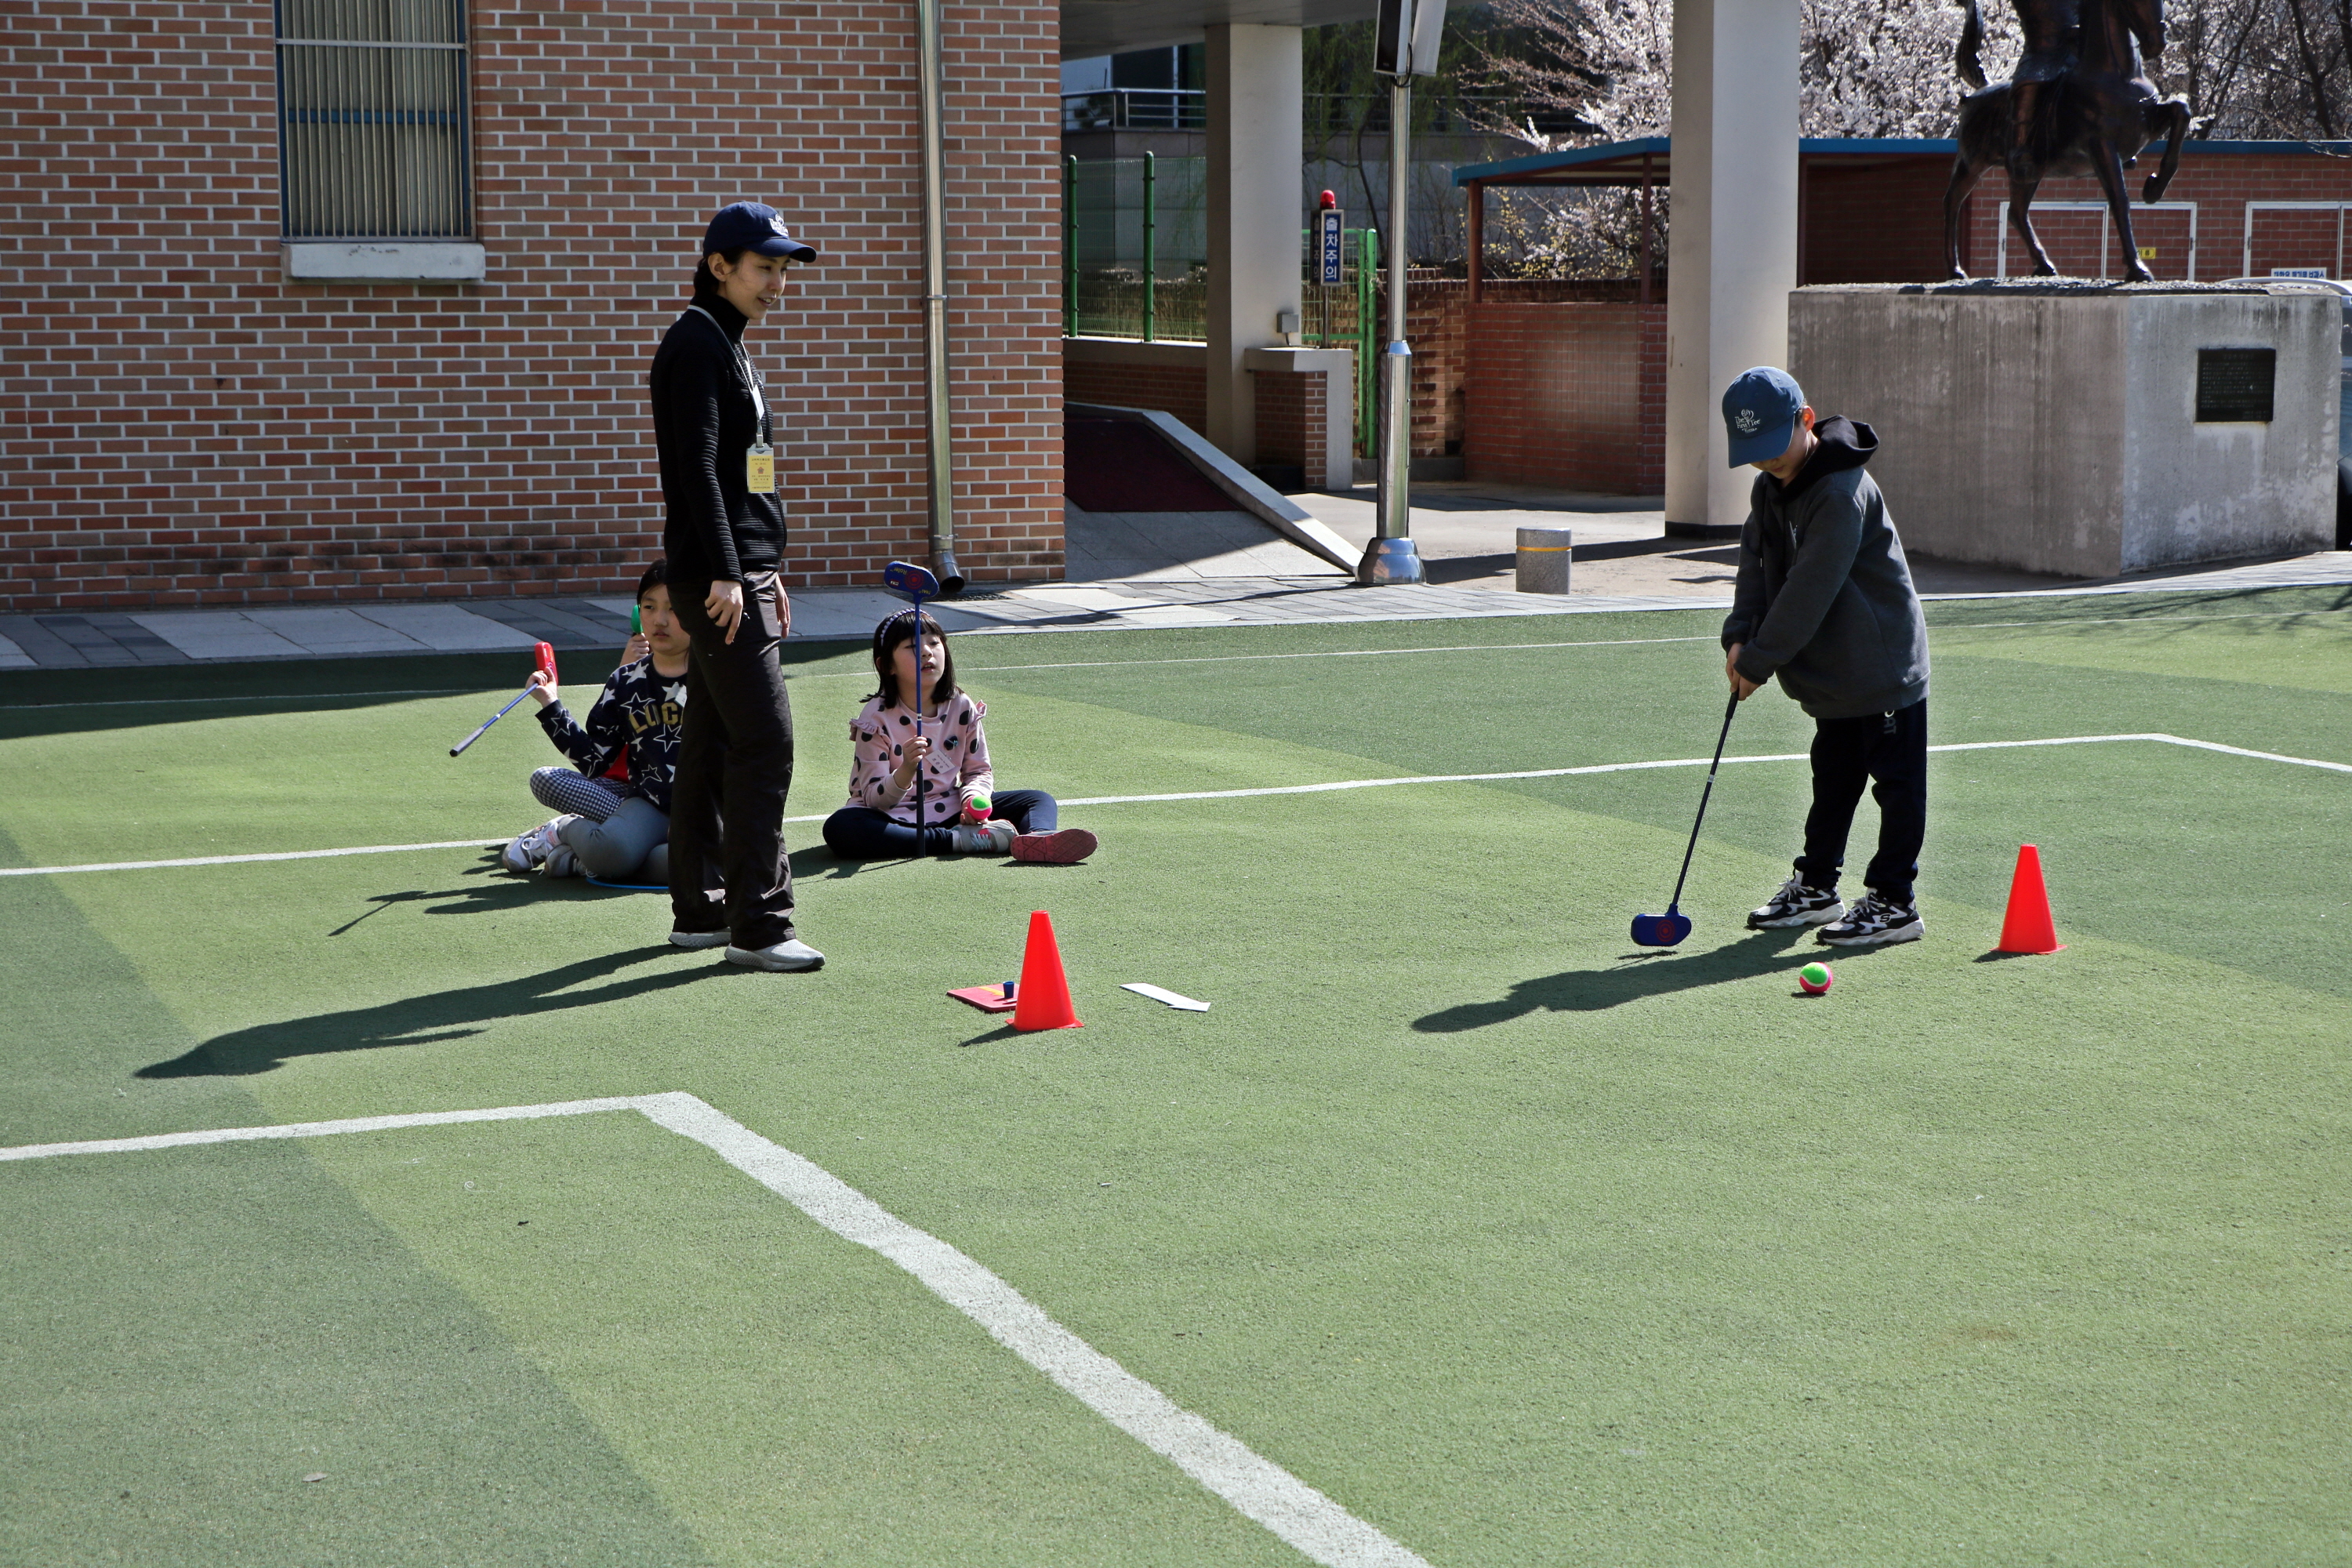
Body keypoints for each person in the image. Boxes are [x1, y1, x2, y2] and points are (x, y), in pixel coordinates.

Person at [650, 201, 823, 972]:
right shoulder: (695, 345)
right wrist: (729, 569)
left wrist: (764, 567)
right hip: (719, 577)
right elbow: (693, 470)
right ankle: (760, 925)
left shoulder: (726, 344)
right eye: (764, 268)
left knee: (712, 740)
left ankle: (701, 912)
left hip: (741, 572)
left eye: (784, 270)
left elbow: (740, 475)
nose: (777, 284)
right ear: (719, 266)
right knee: (766, 740)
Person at [1719, 366, 1931, 947]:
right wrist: (1739, 634)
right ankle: (1817, 886)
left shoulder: (1841, 492)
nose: (1766, 463)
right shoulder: (1769, 489)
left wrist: (1759, 661)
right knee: (1833, 779)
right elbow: (1755, 570)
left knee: (1897, 787)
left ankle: (1895, 901)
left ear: (1805, 420)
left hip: (1881, 664)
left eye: (1773, 447)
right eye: (1753, 452)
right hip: (1833, 672)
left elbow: (1810, 588)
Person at [823, 611, 1098, 865]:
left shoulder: (961, 705)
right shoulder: (875, 718)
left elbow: (978, 770)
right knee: (841, 828)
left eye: (934, 642)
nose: (927, 653)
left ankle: (1037, 838)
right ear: (887, 666)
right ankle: (963, 841)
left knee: (1037, 799)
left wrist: (973, 800)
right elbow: (873, 798)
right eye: (912, 647)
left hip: (951, 809)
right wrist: (905, 770)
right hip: (890, 818)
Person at [501, 561, 688, 884]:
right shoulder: (625, 681)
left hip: (707, 806)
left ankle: (580, 862)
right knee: (614, 854)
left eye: (675, 608)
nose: (660, 620)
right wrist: (550, 704)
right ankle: (565, 830)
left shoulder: (718, 675)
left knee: (698, 863)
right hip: (648, 805)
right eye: (649, 607)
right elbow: (594, 760)